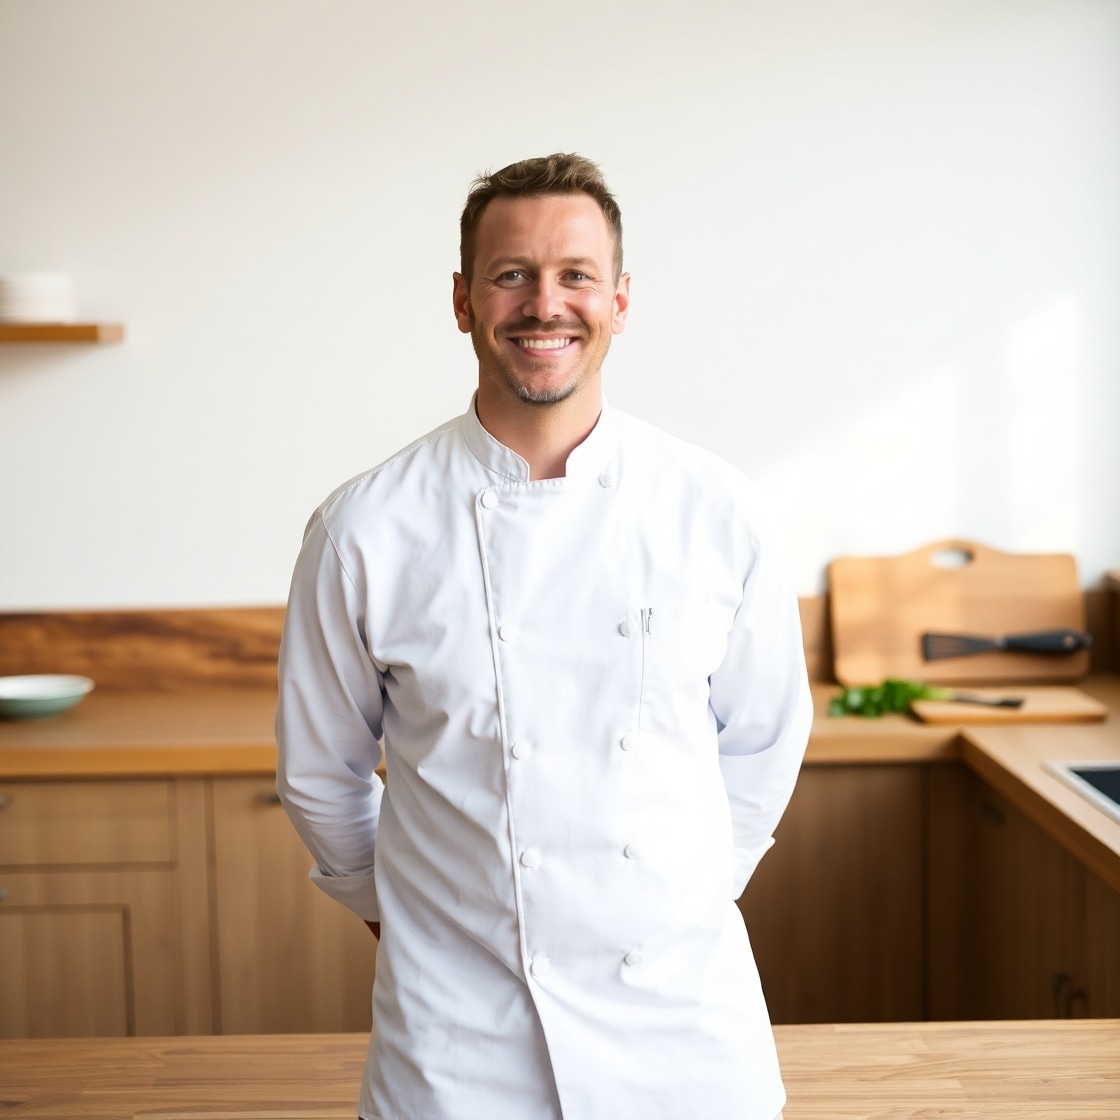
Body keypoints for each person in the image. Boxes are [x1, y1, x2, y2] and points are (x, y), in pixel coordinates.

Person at [275, 152, 812, 1120]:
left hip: (682, 1028)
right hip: (457, 1038)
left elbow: (764, 738)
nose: (543, 303)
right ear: (462, 298)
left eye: (574, 274)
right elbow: (321, 769)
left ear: (619, 298)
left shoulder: (717, 509)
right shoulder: (364, 527)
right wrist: (398, 917)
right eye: (510, 273)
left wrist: (678, 900)